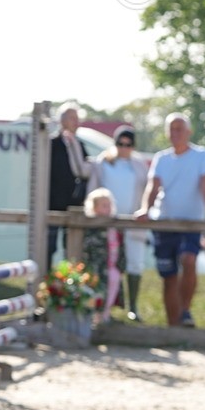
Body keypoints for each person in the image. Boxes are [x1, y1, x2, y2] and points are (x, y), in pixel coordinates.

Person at [134, 113, 205, 328]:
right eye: (172, 129)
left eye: (180, 129)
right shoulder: (161, 158)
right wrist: (145, 209)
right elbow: (153, 187)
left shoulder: (201, 156)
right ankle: (173, 326)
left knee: (189, 260)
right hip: (165, 222)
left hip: (191, 222)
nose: (175, 133)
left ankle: (185, 310)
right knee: (168, 276)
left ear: (189, 132)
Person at [88, 126, 150, 321]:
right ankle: (100, 308)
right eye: (120, 143)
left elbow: (148, 190)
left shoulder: (139, 165)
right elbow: (93, 190)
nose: (124, 148)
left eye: (128, 144)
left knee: (134, 263)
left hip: (132, 223)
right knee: (106, 267)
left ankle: (133, 307)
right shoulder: (103, 162)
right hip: (108, 224)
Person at [49, 103, 92, 261]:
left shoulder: (79, 145)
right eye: (72, 118)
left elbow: (85, 171)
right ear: (62, 120)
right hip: (52, 205)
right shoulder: (52, 144)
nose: (76, 122)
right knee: (48, 246)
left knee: (72, 248)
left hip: (73, 205)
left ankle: (69, 277)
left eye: (77, 118)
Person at [82, 188, 123, 325]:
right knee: (96, 291)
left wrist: (121, 264)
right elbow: (87, 248)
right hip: (97, 267)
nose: (108, 208)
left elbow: (121, 247)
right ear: (94, 208)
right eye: (104, 205)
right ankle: (95, 317)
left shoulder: (115, 226)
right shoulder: (91, 227)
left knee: (112, 290)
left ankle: (106, 314)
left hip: (113, 267)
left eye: (109, 205)